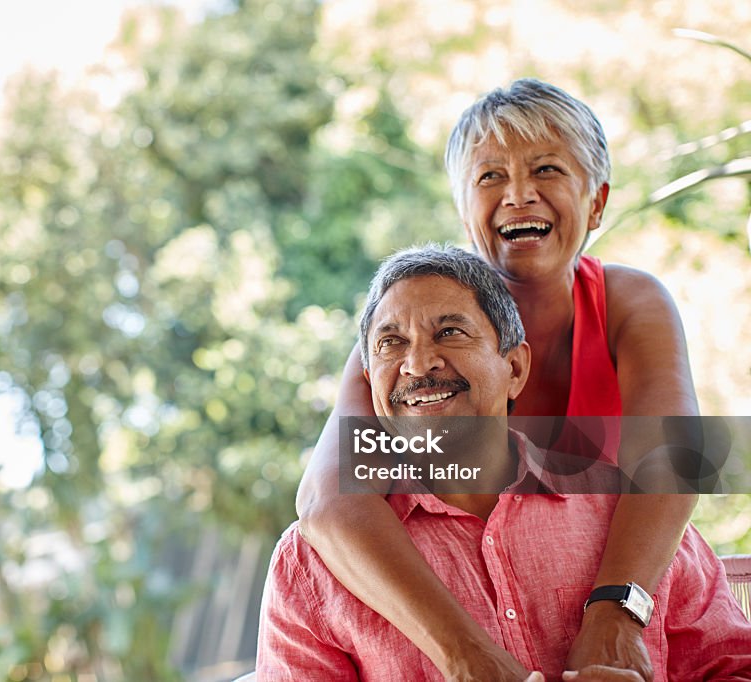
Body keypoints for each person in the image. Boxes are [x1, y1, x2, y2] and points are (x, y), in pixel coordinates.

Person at [296, 79, 701, 680]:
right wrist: (466, 654)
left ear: (596, 201)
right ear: (464, 211)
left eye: (546, 169)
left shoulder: (631, 302)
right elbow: (327, 504)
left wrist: (615, 616)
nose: (518, 195)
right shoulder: (407, 340)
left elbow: (680, 460)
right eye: (489, 177)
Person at [257, 246, 751, 680]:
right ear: (369, 380)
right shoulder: (310, 568)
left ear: (515, 368)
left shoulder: (632, 518)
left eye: (449, 332)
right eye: (392, 343)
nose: (418, 363)